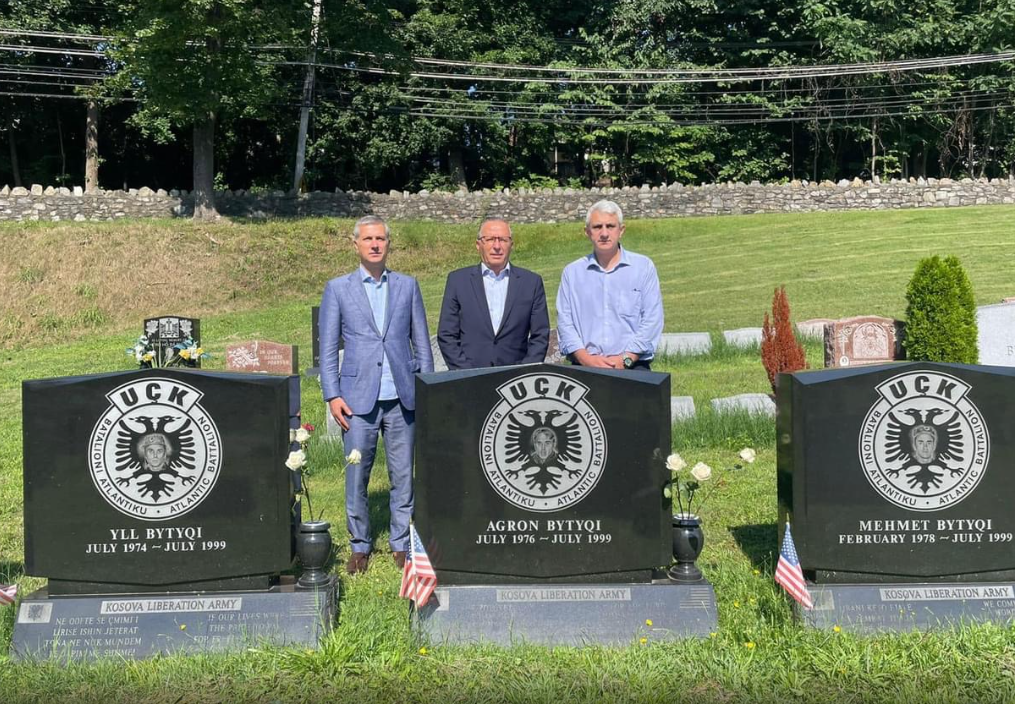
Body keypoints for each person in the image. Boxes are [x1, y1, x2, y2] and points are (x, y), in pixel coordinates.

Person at [319, 216, 433, 574]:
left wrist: (426, 389)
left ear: (389, 243)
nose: (374, 244)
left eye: (380, 238)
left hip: (402, 396)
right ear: (355, 244)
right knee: (357, 476)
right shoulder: (338, 288)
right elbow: (326, 348)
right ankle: (360, 545)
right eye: (368, 239)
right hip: (356, 399)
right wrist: (332, 394)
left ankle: (401, 543)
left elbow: (422, 343)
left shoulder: (407, 286)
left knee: (403, 475)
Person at [556, 200, 664, 370]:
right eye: (598, 227)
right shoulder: (572, 273)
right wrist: (585, 359)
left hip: (632, 365)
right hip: (585, 365)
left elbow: (652, 318)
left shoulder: (643, 268)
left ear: (621, 230)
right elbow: (565, 322)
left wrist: (626, 359)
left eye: (610, 226)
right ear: (587, 232)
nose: (604, 233)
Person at [437, 218, 549, 369]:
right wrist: (467, 374)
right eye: (490, 239)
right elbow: (447, 334)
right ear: (478, 245)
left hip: (516, 381)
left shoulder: (531, 283)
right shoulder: (458, 281)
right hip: (470, 378)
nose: (497, 246)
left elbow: (540, 336)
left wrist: (524, 372)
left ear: (511, 245)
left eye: (503, 240)